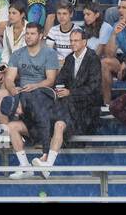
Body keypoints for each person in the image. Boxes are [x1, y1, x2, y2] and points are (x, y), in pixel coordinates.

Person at [34, 25, 103, 171]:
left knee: (57, 119)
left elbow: (94, 88)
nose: (73, 44)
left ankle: (45, 153)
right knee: (58, 123)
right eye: (71, 41)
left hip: (87, 107)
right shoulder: (69, 59)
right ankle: (47, 162)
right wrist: (59, 89)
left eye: (76, 41)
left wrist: (70, 92)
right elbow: (60, 79)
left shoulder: (93, 59)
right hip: (69, 105)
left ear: (84, 42)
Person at [0, 23, 61, 176]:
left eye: (32, 34)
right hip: (23, 93)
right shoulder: (18, 53)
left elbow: (50, 80)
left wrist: (35, 86)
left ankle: (44, 148)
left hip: (42, 93)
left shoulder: (49, 53)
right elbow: (10, 79)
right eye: (27, 34)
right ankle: (24, 165)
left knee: (30, 96)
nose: (28, 36)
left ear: (40, 36)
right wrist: (14, 91)